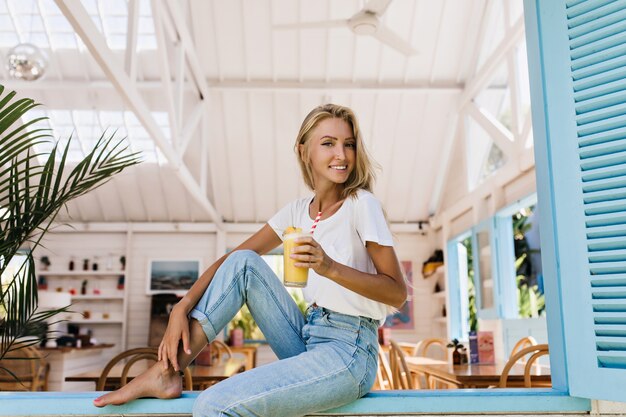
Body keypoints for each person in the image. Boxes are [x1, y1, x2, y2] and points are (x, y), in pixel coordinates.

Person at [94, 103, 407, 417]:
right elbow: (230, 260)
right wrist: (182, 305)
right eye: (328, 143)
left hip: (349, 350)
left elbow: (397, 293)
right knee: (243, 262)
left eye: (349, 144)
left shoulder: (362, 205)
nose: (342, 154)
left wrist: (329, 268)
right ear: (303, 151)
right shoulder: (297, 211)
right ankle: (166, 372)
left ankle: (165, 374)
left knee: (213, 405)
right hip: (310, 333)